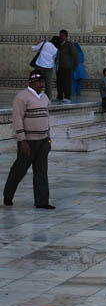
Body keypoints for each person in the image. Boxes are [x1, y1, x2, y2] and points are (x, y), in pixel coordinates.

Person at [4, 70, 55, 209]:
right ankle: (8, 195)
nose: (41, 84)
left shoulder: (44, 98)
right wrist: (22, 140)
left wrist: (48, 139)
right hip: (28, 141)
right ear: (31, 82)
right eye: (38, 82)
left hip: (43, 140)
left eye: (43, 82)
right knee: (19, 170)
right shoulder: (21, 97)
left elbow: (46, 118)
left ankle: (42, 201)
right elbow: (17, 119)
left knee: (41, 172)